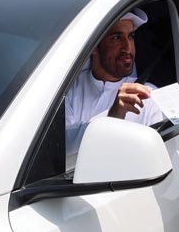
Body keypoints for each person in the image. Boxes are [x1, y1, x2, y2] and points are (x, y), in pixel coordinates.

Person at [65, 9, 164, 164]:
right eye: (117, 38)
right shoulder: (68, 92)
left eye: (131, 37)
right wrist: (112, 116)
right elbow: (61, 151)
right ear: (94, 47)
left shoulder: (149, 96)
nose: (127, 47)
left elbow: (155, 161)